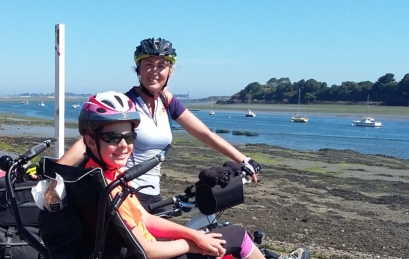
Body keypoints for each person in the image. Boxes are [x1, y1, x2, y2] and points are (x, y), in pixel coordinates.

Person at [75, 91, 309, 259]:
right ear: (91, 141)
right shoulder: (110, 187)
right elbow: (148, 249)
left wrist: (193, 235)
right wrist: (193, 244)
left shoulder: (100, 175)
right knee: (235, 234)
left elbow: (144, 218)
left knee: (196, 236)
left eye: (129, 136)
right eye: (113, 138)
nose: (124, 145)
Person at [59, 37, 262, 212]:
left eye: (161, 65)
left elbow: (204, 134)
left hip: (154, 195)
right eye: (148, 64)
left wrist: (244, 159)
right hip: (126, 194)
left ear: (170, 71)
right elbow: (88, 142)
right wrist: (54, 171)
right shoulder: (126, 105)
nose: (154, 71)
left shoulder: (167, 101)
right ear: (138, 69)